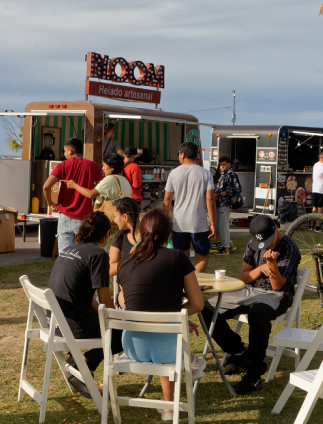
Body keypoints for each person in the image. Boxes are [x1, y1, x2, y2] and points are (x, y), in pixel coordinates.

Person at [116, 209, 206, 421]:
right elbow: (198, 303)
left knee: (160, 333)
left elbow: (124, 302)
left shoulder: (124, 263)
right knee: (167, 338)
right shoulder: (177, 258)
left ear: (139, 232)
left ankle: (168, 407)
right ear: (169, 235)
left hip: (132, 347)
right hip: (168, 348)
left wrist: (172, 318)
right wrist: (178, 318)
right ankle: (194, 362)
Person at [199, 215, 301, 395]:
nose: (266, 246)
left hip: (276, 295)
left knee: (258, 313)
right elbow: (244, 276)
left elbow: (277, 286)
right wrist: (261, 269)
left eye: (269, 241)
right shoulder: (253, 244)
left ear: (276, 229)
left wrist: (271, 264)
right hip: (249, 291)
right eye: (262, 243)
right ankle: (239, 352)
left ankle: (254, 374)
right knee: (206, 307)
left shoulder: (289, 247)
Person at [47, 211, 120, 397]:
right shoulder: (98, 255)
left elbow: (88, 298)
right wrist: (121, 320)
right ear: (106, 235)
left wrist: (105, 314)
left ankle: (80, 363)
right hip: (73, 326)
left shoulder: (71, 248)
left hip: (54, 323)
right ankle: (84, 364)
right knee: (124, 334)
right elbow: (104, 301)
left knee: (115, 328)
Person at [163, 142, 216, 273]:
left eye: (178, 154)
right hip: (199, 222)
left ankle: (187, 284)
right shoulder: (205, 173)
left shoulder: (173, 173)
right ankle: (194, 283)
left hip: (179, 223)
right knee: (202, 257)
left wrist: (164, 220)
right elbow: (210, 199)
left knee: (182, 257)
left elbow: (167, 199)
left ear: (183, 154)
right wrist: (213, 223)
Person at [44, 137, 103, 252]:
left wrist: (50, 204)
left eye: (64, 151)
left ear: (70, 151)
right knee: (84, 253)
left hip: (64, 215)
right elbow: (101, 187)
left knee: (64, 254)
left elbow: (46, 187)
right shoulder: (92, 165)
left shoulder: (62, 166)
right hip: (84, 216)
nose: (64, 153)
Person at [65, 151, 131, 232]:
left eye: (104, 166)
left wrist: (75, 185)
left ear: (112, 167)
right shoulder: (124, 180)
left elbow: (90, 194)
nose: (102, 168)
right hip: (121, 221)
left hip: (109, 221)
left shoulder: (109, 179)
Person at [213, 156, 241, 256]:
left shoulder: (231, 174)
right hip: (219, 202)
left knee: (223, 225)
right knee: (218, 225)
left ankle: (225, 247)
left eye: (224, 164)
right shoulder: (222, 174)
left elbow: (238, 188)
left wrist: (226, 193)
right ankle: (229, 244)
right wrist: (216, 193)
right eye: (220, 164)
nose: (222, 166)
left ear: (229, 164)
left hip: (225, 203)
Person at [108, 198, 141, 276]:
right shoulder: (119, 236)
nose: (114, 220)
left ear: (125, 217)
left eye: (115, 216)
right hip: (125, 287)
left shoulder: (148, 234)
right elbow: (111, 269)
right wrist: (135, 264)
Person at [311, 152, 323, 233]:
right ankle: (317, 227)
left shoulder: (315, 165)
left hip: (314, 189)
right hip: (322, 190)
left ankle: (310, 225)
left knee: (314, 208)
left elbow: (313, 177)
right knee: (320, 209)